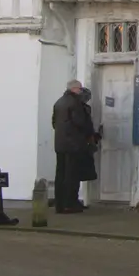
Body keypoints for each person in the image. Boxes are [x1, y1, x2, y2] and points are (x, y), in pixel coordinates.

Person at [51, 80, 94, 213]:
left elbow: (54, 123)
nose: (81, 91)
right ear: (75, 89)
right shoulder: (75, 103)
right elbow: (80, 122)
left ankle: (60, 203)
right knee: (72, 175)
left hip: (60, 144)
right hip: (74, 144)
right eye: (80, 89)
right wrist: (90, 135)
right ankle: (70, 204)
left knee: (61, 174)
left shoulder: (59, 102)